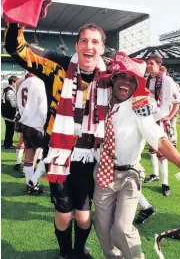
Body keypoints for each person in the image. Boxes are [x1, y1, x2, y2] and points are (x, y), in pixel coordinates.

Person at [4, 22, 108, 259]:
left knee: (83, 216)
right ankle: (65, 253)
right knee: (63, 215)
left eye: (95, 42)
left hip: (90, 156)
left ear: (102, 48)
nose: (88, 46)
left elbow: (135, 87)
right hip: (58, 153)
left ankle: (79, 251)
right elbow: (17, 49)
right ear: (76, 45)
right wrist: (16, 21)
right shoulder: (57, 64)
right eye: (84, 40)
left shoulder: (110, 76)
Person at [93, 52, 180, 259]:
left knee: (121, 228)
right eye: (122, 77)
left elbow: (160, 140)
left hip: (129, 175)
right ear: (113, 79)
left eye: (131, 79)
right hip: (102, 174)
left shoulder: (139, 109)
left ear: (137, 84)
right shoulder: (98, 103)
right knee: (102, 229)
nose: (126, 83)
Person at [144, 54, 180, 196]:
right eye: (147, 63)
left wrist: (170, 116)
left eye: (151, 63)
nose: (148, 66)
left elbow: (177, 101)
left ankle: (165, 183)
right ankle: (155, 174)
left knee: (162, 152)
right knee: (152, 150)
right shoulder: (148, 80)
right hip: (149, 118)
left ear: (159, 65)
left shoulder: (167, 80)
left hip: (160, 119)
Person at [17, 72, 47, 194]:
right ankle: (32, 182)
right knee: (49, 154)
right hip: (37, 124)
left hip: (26, 123)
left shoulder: (22, 84)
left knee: (29, 156)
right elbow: (43, 106)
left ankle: (30, 185)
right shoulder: (40, 83)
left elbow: (19, 105)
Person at [2, 75, 18, 149]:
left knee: (9, 129)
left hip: (6, 112)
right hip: (9, 113)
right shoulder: (10, 91)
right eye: (16, 82)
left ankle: (7, 143)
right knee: (10, 129)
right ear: (13, 82)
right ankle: (8, 144)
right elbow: (13, 104)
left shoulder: (6, 89)